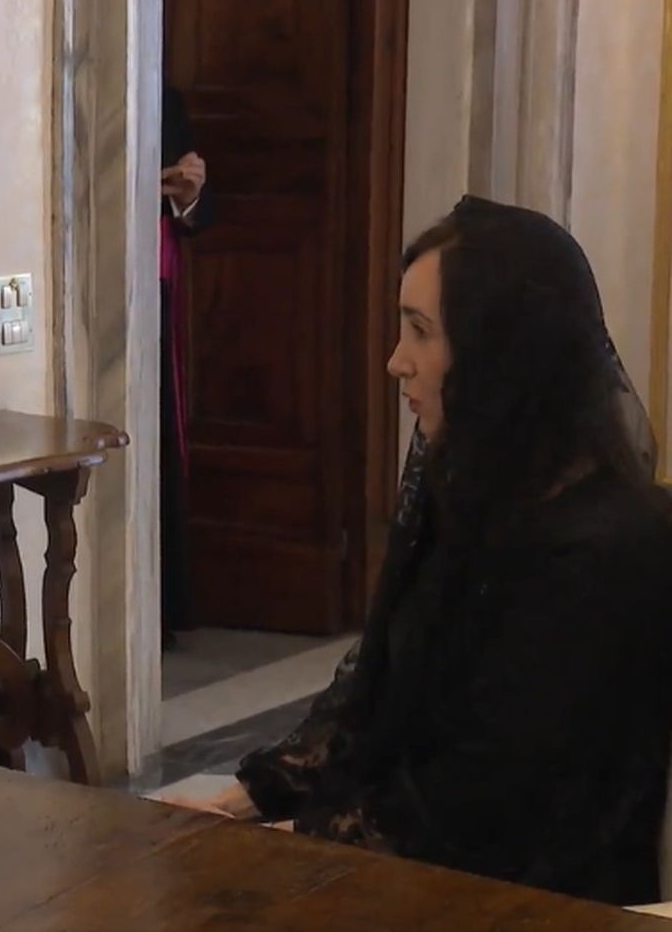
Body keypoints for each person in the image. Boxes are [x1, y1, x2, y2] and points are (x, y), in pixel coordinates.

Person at [167, 195, 672, 906]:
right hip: (423, 871)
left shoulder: (612, 549)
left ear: (504, 354)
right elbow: (375, 697)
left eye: (421, 332)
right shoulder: (473, 495)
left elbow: (486, 806)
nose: (395, 362)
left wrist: (278, 857)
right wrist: (245, 801)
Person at [159, 84, 209, 648]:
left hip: (158, 282)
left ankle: (166, 605)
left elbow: (194, 206)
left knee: (166, 444)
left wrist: (185, 193)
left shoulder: (168, 98)